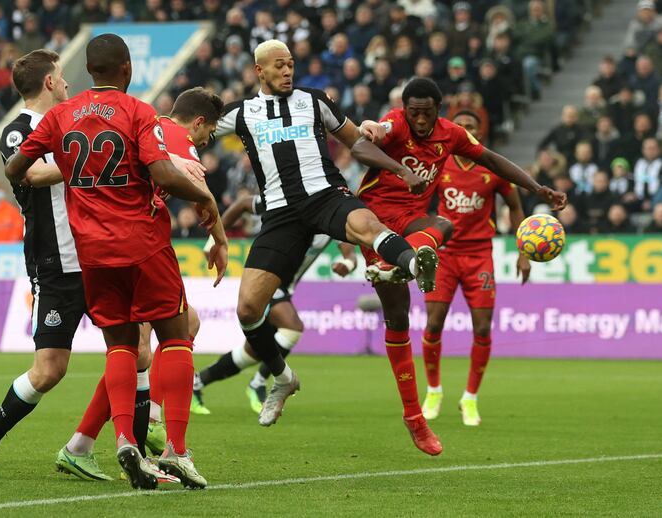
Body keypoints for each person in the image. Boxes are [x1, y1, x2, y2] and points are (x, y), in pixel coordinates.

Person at [3, 34, 227, 490]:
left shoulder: (62, 116)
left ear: (89, 71)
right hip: (142, 244)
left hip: (93, 255)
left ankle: (125, 439)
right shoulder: (139, 111)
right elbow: (163, 173)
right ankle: (176, 452)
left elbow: (16, 170)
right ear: (126, 69)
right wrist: (202, 197)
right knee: (177, 335)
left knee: (121, 346)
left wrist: (70, 167)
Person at [212, 40, 443, 429]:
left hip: (324, 195)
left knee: (368, 226)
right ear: (259, 72)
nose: (288, 71)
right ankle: (283, 379)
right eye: (279, 66)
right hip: (281, 214)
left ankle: (414, 265)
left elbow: (357, 143)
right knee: (248, 310)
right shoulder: (240, 114)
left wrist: (401, 170)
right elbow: (190, 133)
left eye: (291, 65)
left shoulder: (314, 100)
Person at [358, 79, 566, 451]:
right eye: (413, 112)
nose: (420, 121)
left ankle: (407, 264)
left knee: (443, 226)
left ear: (440, 109)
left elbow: (494, 162)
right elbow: (361, 144)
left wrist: (538, 188)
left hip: (432, 232)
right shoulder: (396, 124)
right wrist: (399, 167)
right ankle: (429, 394)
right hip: (374, 222)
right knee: (403, 317)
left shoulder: (451, 137)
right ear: (405, 110)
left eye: (427, 113)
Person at [56, 87, 227, 489]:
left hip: (97, 244)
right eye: (211, 132)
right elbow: (203, 199)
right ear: (199, 123)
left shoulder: (146, 126)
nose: (207, 141)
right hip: (136, 246)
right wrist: (219, 237)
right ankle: (151, 437)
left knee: (144, 339)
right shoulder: (182, 144)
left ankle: (89, 442)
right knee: (154, 341)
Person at [0, 49, 97, 482]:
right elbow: (30, 175)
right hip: (54, 262)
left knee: (137, 349)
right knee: (49, 370)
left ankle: (124, 448)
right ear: (50, 82)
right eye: (62, 77)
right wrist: (83, 158)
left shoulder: (72, 122)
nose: (68, 84)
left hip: (100, 254)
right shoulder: (17, 132)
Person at [191, 194, 359, 415]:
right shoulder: (288, 197)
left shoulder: (329, 214)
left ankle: (197, 383)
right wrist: (215, 237)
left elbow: (350, 254)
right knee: (292, 327)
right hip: (266, 280)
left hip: (285, 288)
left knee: (252, 352)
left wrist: (347, 263)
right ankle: (258, 382)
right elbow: (242, 203)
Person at [419, 111, 531, 426]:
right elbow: (417, 202)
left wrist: (523, 252)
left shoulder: (493, 167)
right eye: (461, 126)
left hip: (480, 254)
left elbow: (515, 206)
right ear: (454, 131)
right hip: (445, 253)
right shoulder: (439, 164)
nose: (466, 130)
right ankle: (434, 390)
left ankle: (470, 398)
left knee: (482, 328)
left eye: (471, 127)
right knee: (433, 324)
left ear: (478, 132)